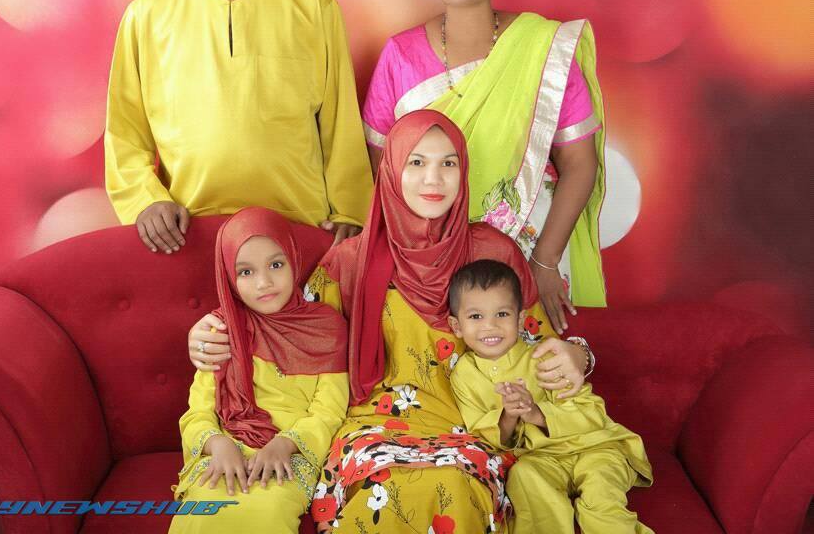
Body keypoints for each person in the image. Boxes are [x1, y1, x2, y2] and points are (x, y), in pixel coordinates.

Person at [304, 110, 591, 533]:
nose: (433, 179)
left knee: (454, 481)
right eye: (416, 162)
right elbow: (293, 339)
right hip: (373, 427)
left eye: (448, 163)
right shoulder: (349, 262)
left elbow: (539, 348)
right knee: (384, 480)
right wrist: (217, 334)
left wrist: (579, 354)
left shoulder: (494, 253)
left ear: (463, 170)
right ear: (391, 170)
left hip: (480, 426)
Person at [105, 0, 372, 255]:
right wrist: (145, 200)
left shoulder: (311, 0)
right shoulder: (149, 11)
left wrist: (350, 210)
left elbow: (340, 119)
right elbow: (125, 131)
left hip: (299, 229)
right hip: (188, 233)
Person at [362, 0, 606, 334]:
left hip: (529, 240)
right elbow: (380, 169)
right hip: (428, 253)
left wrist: (545, 261)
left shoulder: (541, 49)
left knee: (527, 366)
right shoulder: (400, 55)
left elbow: (580, 164)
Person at [169, 207, 349, 534]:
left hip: (290, 453)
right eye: (246, 272)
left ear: (294, 260)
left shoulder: (326, 329)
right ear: (229, 276)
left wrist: (285, 444)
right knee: (203, 513)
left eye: (276, 265)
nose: (264, 283)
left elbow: (329, 412)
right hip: (226, 448)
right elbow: (198, 411)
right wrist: (217, 445)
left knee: (268, 511)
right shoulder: (222, 330)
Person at [448, 259, 652, 534]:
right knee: (525, 479)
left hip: (594, 448)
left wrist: (534, 413)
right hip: (541, 459)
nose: (490, 326)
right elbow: (485, 434)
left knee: (600, 500)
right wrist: (509, 414)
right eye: (475, 317)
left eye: (502, 314)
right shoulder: (464, 375)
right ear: (456, 325)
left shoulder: (546, 355)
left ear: (520, 319)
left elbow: (591, 414)